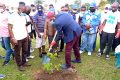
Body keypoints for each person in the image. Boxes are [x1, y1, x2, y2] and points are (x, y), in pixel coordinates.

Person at [8, 2, 31, 71]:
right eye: (24, 10)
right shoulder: (12, 16)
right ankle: (19, 65)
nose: (25, 12)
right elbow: (9, 28)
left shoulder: (23, 16)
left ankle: (24, 62)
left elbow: (25, 26)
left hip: (25, 36)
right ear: (20, 8)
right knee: (17, 52)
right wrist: (12, 38)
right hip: (17, 38)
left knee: (25, 50)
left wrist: (27, 35)